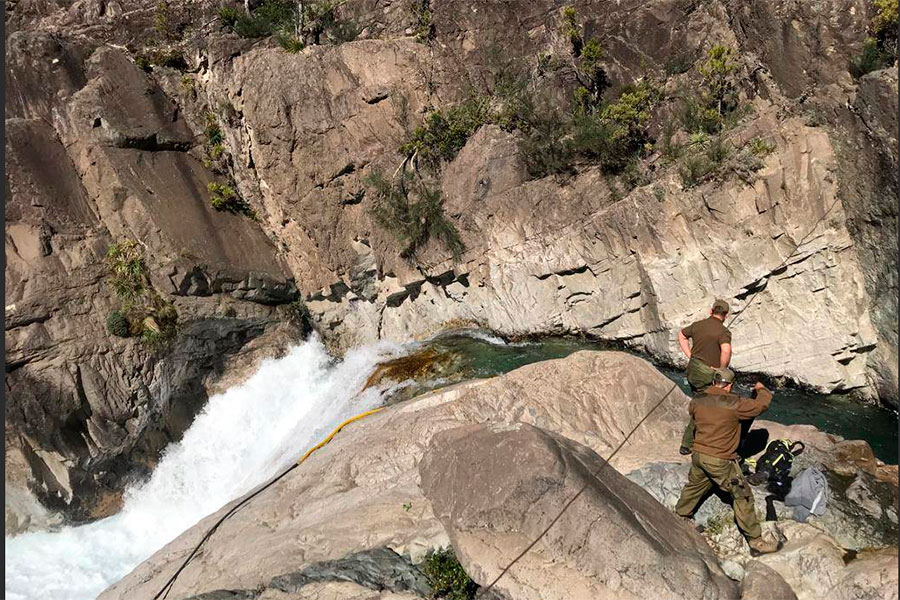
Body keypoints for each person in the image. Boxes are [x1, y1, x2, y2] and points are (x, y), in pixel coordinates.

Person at [674, 368, 780, 556]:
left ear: (715, 382)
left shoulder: (697, 401)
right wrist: (762, 390)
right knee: (743, 495)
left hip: (699, 456)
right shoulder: (734, 403)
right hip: (720, 460)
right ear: (730, 386)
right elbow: (760, 406)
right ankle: (756, 542)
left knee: (695, 486)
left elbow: (694, 420)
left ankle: (680, 516)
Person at [677, 299, 733, 455]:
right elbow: (726, 351)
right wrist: (722, 369)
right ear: (726, 315)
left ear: (711, 311)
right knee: (704, 406)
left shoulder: (698, 325)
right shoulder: (723, 332)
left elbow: (681, 335)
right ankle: (687, 444)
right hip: (707, 375)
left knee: (700, 402)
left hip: (692, 370)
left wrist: (690, 355)